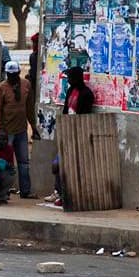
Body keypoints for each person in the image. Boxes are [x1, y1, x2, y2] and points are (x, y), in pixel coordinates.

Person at [45, 66, 96, 205]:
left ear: (76, 78)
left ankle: (66, 194)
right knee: (57, 165)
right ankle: (58, 192)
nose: (68, 80)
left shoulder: (86, 94)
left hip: (78, 134)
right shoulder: (70, 91)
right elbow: (66, 110)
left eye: (70, 77)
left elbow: (82, 117)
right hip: (67, 133)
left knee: (69, 167)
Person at [0, 61, 38, 198]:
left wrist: (33, 127)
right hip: (6, 132)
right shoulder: (1, 88)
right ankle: (2, 191)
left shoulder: (26, 85)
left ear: (18, 73)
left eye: (14, 75)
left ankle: (25, 191)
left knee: (23, 162)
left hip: (21, 130)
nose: (12, 77)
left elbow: (29, 108)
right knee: (5, 163)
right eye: (9, 75)